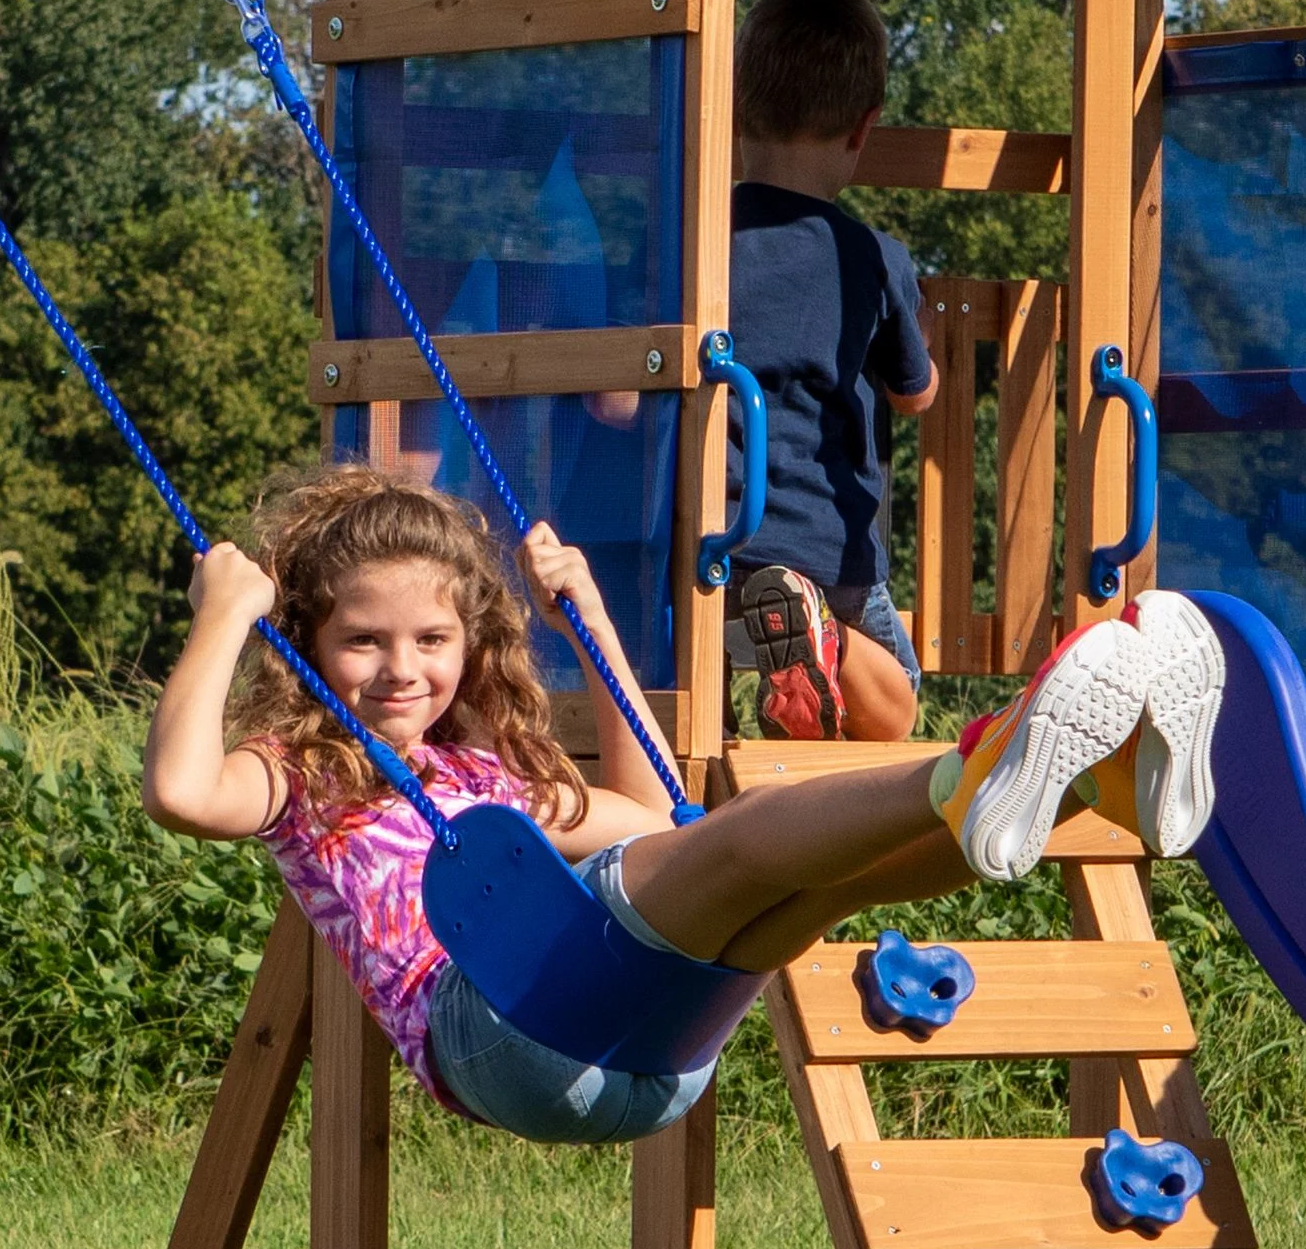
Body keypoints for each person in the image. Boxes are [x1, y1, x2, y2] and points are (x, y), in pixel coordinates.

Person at [140, 467, 1221, 1145]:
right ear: (314, 647)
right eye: (362, 642)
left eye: (431, 641)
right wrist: (228, 616)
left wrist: (596, 626)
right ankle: (983, 764)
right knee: (747, 846)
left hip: (654, 1070)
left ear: (469, 646)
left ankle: (1084, 784)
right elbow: (183, 790)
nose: (400, 670)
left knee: (806, 892)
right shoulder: (307, 779)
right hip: (499, 1041)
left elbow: (658, 821)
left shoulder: (487, 784)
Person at [726, 0, 939, 741]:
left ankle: (772, 681)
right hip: (823, 553)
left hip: (701, 550)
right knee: (901, 698)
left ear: (736, 108)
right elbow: (914, 396)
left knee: (704, 659)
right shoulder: (871, 259)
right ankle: (828, 643)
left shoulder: (688, 247)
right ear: (863, 127)